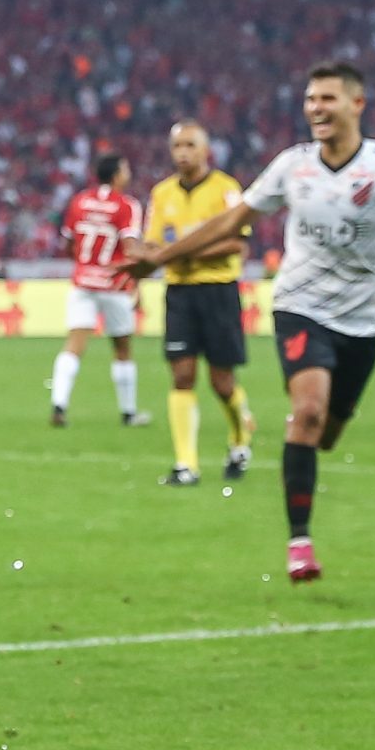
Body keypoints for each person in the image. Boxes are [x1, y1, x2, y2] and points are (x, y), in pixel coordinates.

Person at [120, 63, 375, 583]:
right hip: (300, 305)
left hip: (361, 319)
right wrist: (162, 258)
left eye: (328, 99)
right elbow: (230, 221)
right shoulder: (292, 165)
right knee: (307, 413)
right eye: (311, 99)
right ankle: (300, 541)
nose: (316, 107)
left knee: (328, 433)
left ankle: (304, 466)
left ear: (356, 105)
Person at [145, 121, 256, 484]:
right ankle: (186, 464)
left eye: (190, 145)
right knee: (181, 375)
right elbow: (153, 244)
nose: (183, 153)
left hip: (218, 289)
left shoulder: (226, 190)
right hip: (180, 292)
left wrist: (186, 252)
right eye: (177, 146)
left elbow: (238, 242)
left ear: (205, 150)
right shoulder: (161, 194)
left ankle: (240, 437)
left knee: (222, 381)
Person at [48, 154, 150, 433]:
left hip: (83, 282)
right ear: (117, 174)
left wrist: (84, 263)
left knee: (74, 344)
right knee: (122, 348)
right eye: (126, 168)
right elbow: (131, 250)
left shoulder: (79, 201)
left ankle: (59, 403)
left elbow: (69, 243)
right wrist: (137, 284)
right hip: (114, 285)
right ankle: (128, 412)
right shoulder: (127, 205)